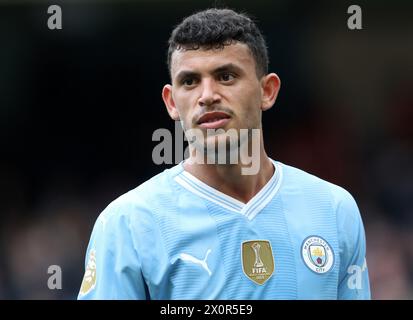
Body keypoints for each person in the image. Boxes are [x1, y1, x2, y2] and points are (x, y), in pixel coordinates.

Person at [78, 8, 370, 299]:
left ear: (267, 91)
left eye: (226, 76)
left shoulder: (333, 210)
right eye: (190, 81)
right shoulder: (128, 223)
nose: (206, 95)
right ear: (171, 102)